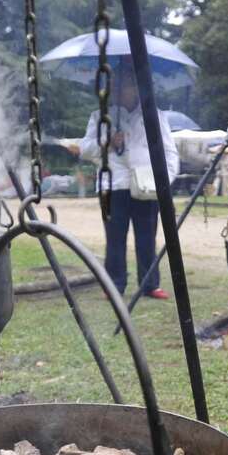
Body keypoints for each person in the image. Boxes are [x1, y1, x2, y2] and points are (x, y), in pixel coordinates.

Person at [65, 61, 179, 300]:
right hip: (111, 186)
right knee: (114, 238)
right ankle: (115, 285)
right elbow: (84, 148)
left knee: (147, 237)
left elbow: (170, 152)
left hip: (145, 186)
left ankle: (150, 285)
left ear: (137, 87)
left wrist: (165, 181)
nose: (118, 88)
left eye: (124, 84)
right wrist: (107, 142)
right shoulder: (100, 116)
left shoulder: (154, 116)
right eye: (115, 83)